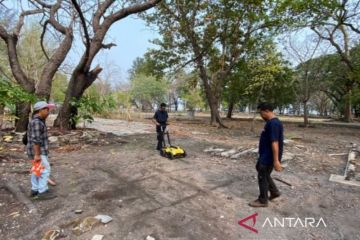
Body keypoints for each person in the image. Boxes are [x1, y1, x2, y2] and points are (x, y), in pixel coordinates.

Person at [249, 102, 283, 208]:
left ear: (267, 111)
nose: (261, 115)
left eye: (261, 113)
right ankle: (274, 192)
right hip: (265, 154)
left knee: (262, 175)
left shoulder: (273, 124)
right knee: (262, 171)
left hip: (268, 156)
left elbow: (275, 142)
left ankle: (263, 200)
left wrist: (276, 160)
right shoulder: (271, 122)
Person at [27, 101, 57, 200]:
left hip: (36, 151)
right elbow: (36, 140)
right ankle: (42, 192)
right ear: (40, 110)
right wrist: (37, 154)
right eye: (46, 110)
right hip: (38, 152)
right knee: (45, 170)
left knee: (37, 170)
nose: (48, 112)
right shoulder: (37, 122)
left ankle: (34, 189)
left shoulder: (37, 121)